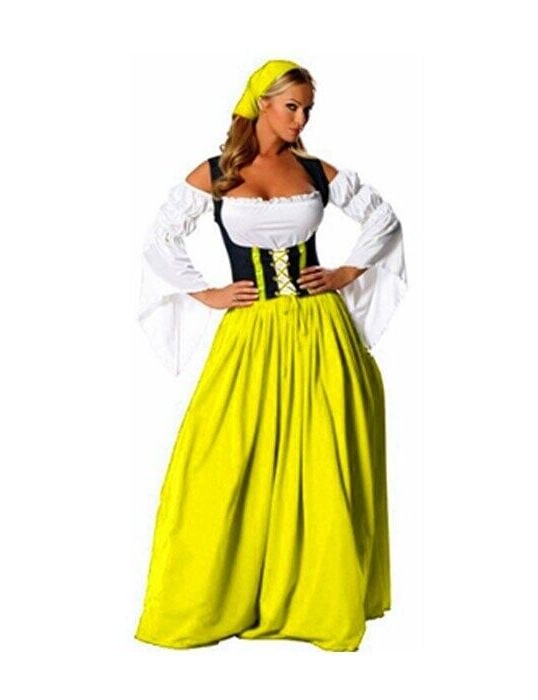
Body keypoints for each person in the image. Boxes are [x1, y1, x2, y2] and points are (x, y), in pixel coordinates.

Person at [134, 59, 408, 652]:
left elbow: (383, 218)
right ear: (262, 102)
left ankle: (317, 598)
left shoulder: (315, 170)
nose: (301, 118)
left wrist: (346, 271)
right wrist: (205, 291)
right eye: (292, 106)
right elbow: (160, 238)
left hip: (321, 333)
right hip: (250, 335)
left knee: (322, 460)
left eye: (307, 109)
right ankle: (220, 596)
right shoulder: (217, 172)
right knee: (221, 459)